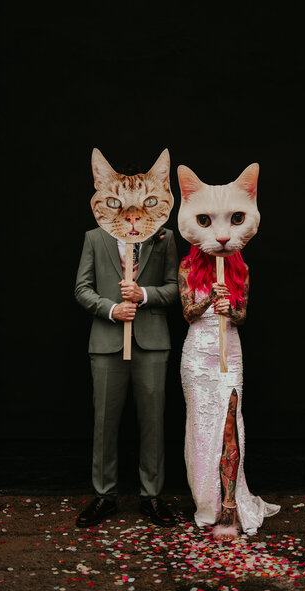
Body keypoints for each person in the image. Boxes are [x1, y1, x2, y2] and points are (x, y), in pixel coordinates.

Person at [74, 204, 178, 528]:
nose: (132, 222)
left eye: (137, 216)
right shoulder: (94, 238)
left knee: (153, 421)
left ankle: (152, 497)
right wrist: (111, 309)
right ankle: (105, 495)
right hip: (107, 344)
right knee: (104, 421)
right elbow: (82, 289)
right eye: (126, 216)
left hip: (152, 344)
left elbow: (175, 287)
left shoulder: (165, 238)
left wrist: (144, 294)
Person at [178, 245, 280, 541]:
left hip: (229, 354)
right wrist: (210, 297)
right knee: (202, 429)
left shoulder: (241, 269)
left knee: (229, 427)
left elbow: (242, 315)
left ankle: (229, 505)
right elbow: (187, 312)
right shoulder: (187, 266)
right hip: (197, 354)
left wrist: (230, 310)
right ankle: (206, 502)